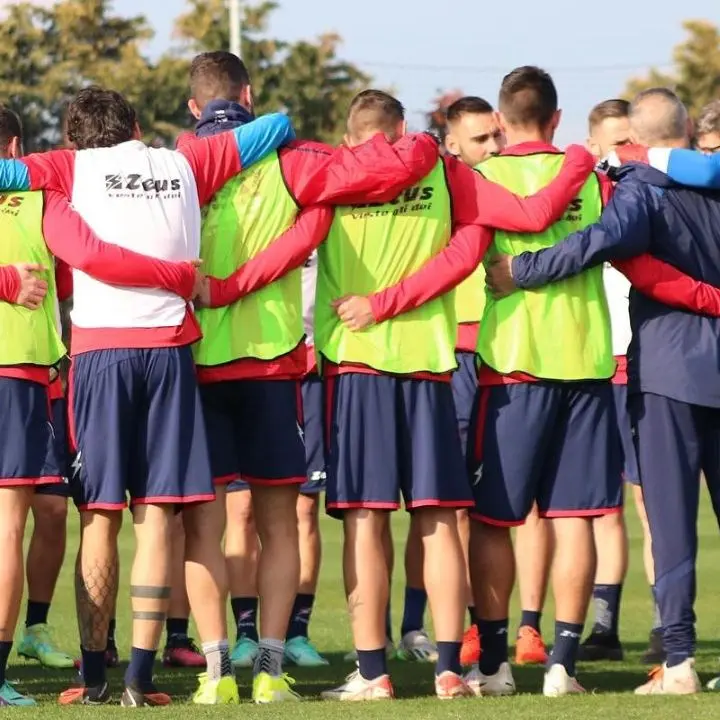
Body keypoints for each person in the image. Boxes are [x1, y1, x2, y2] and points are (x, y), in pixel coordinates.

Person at [0, 87, 295, 706]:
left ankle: (95, 678)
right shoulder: (187, 161)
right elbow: (278, 124)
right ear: (136, 125)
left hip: (102, 355)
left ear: (74, 137)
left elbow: (30, 199)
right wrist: (182, 277)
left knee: (100, 515)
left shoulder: (68, 168)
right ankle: (140, 679)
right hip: (170, 354)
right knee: (158, 515)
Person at [181, 51, 445, 703]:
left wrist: (213, 287)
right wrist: (428, 142)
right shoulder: (295, 160)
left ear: (194, 107)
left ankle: (216, 674)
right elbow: (386, 166)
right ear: (250, 93)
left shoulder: (176, 167)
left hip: (199, 363)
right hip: (273, 362)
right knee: (279, 523)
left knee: (204, 527)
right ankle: (270, 671)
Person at [319, 87, 597, 701]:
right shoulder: (446, 174)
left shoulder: (330, 175)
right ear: (405, 132)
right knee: (440, 520)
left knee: (365, 523)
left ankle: (372, 674)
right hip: (431, 367)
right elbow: (526, 218)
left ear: (351, 136)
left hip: (357, 362)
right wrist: (581, 158)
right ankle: (448, 671)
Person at [485, 87, 720, 695]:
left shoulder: (640, 190)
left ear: (637, 137)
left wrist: (524, 271)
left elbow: (592, 243)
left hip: (671, 373)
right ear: (688, 130)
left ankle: (680, 663)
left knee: (671, 527)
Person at [445, 94, 551, 667]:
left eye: (496, 136)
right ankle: (454, 623)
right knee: (454, 502)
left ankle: (526, 628)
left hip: (504, 357)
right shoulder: (443, 189)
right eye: (480, 139)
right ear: (452, 144)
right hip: (450, 354)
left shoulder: (511, 187)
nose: (493, 147)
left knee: (519, 500)